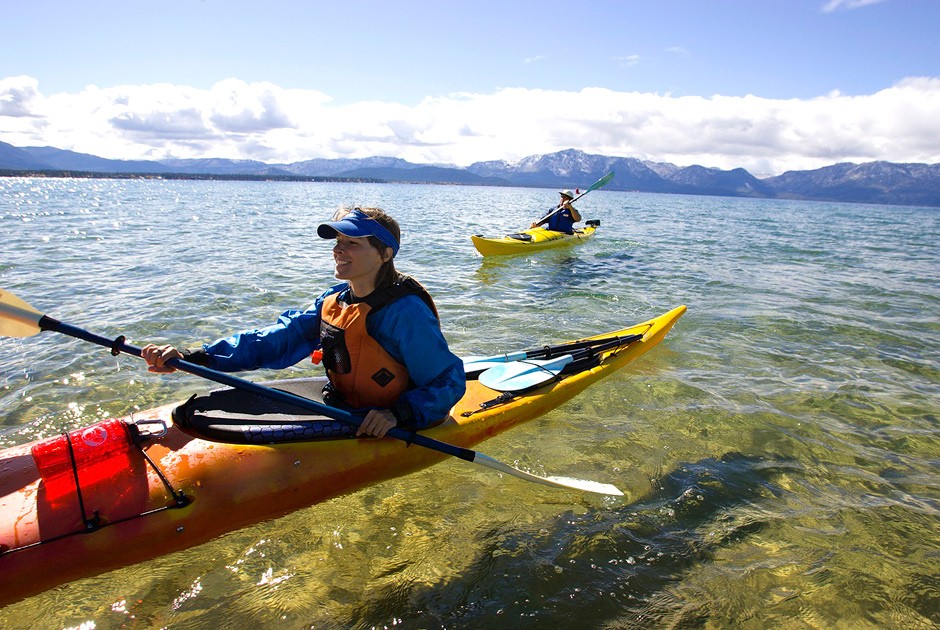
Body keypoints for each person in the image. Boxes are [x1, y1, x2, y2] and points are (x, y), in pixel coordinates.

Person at [141, 206, 466, 439]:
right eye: (338, 241)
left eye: (352, 243)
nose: (339, 249)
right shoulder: (332, 301)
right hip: (342, 406)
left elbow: (448, 381)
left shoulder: (404, 312)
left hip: (392, 418)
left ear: (385, 255)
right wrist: (195, 357)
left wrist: (398, 414)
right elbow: (275, 341)